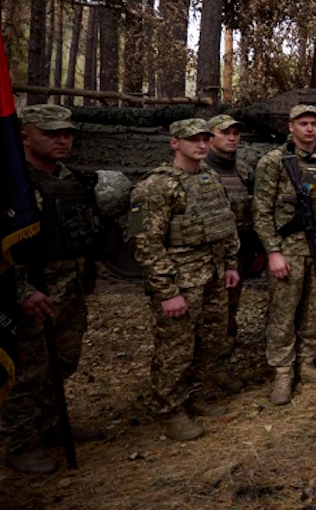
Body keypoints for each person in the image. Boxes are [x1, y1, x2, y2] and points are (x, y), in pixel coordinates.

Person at [0, 105, 104, 474]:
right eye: (51, 133)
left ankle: (50, 425)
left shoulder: (72, 178)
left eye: (67, 133)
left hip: (70, 287)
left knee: (61, 364)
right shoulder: (10, 185)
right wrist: (23, 290)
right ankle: (20, 441)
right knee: (28, 370)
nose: (63, 140)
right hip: (32, 294)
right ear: (24, 135)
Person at [130, 118, 240, 441]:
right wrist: (166, 291)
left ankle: (192, 394)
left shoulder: (209, 178)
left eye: (205, 138)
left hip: (213, 276)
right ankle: (169, 409)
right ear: (174, 143)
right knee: (175, 347)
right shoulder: (155, 186)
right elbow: (145, 242)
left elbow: (226, 225)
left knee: (210, 339)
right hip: (180, 282)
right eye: (193, 139)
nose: (202, 145)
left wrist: (231, 265)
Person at [254, 105, 316, 405]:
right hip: (289, 251)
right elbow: (261, 212)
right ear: (291, 127)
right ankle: (283, 372)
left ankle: (306, 364)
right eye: (303, 123)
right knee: (283, 313)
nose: (309, 129)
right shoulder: (273, 162)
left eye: (314, 123)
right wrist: (273, 251)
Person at [203, 114, 257, 363]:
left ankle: (224, 355)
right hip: (207, 255)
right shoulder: (200, 169)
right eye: (225, 132)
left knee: (230, 305)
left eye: (236, 133)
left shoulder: (244, 170)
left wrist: (258, 250)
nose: (232, 138)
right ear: (210, 136)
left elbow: (255, 210)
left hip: (240, 251)